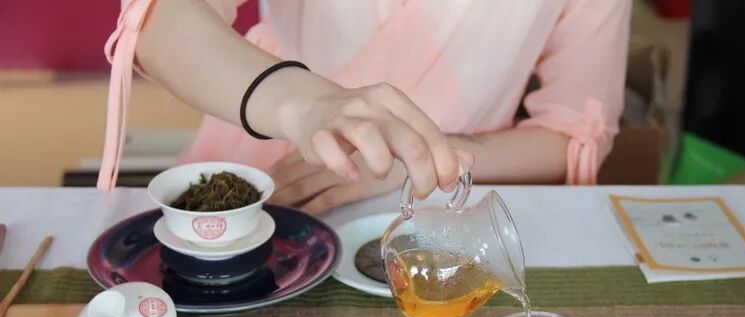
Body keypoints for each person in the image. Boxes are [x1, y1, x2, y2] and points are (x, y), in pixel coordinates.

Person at [100, 0, 630, 214]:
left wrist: (413, 156)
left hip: (444, 205)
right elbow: (160, 18)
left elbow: (572, 133)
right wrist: (305, 105)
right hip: (267, 164)